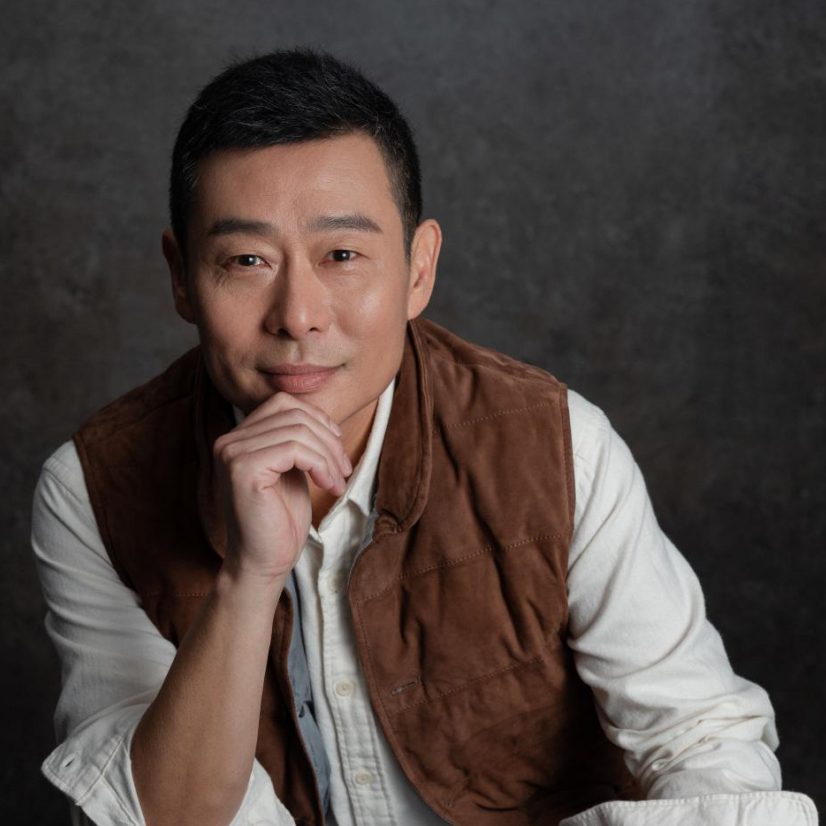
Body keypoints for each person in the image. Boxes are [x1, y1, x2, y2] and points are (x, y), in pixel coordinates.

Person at [31, 48, 817, 826]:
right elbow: (165, 817)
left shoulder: (557, 447)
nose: (298, 315)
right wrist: (248, 577)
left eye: (343, 255)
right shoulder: (93, 491)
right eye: (246, 260)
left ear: (418, 268)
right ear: (180, 277)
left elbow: (699, 741)